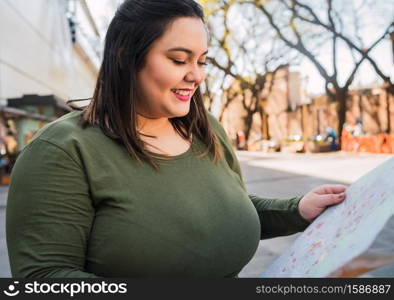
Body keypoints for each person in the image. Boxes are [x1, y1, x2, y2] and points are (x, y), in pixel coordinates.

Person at [6, 0, 346, 278]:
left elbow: (228, 209)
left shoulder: (205, 127)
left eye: (202, 61)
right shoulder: (63, 150)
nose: (196, 74)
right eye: (179, 59)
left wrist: (297, 210)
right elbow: (45, 278)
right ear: (126, 56)